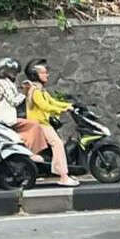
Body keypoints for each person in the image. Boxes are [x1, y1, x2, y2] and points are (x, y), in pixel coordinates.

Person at [24, 58, 79, 187]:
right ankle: (63, 176)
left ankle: (61, 171)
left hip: (43, 123)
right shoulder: (35, 91)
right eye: (43, 73)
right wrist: (64, 109)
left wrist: (68, 105)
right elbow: (45, 106)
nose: (47, 75)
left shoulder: (41, 90)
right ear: (35, 75)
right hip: (40, 124)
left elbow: (52, 102)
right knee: (57, 144)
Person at [0, 57, 47, 162]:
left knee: (32, 126)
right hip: (6, 118)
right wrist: (25, 93)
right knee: (34, 126)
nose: (15, 75)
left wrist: (22, 89)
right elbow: (13, 101)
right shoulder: (2, 83)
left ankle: (31, 151)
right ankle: (30, 153)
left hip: (11, 116)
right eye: (13, 72)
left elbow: (15, 94)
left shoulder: (9, 82)